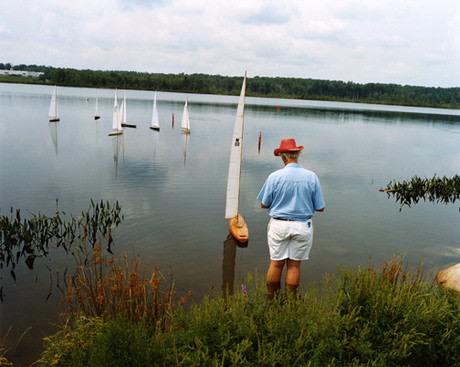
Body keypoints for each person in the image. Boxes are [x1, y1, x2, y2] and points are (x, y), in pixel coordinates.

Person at [257, 138, 325, 300]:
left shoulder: (274, 177)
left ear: (283, 157)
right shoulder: (312, 177)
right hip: (302, 226)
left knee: (276, 263)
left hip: (279, 225)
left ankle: (272, 300)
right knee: (294, 266)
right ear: (297, 155)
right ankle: (291, 304)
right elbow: (320, 207)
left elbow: (263, 204)